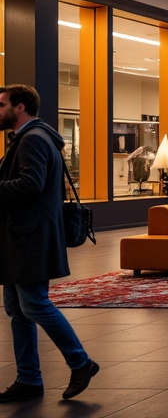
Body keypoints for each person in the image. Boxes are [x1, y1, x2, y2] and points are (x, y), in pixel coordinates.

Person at [0, 85, 99, 402]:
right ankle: (29, 379)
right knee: (18, 309)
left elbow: (32, 183)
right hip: (22, 237)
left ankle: (80, 362)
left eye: (1, 104)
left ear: (19, 108)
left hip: (29, 237)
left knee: (33, 304)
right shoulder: (35, 138)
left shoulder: (32, 140)